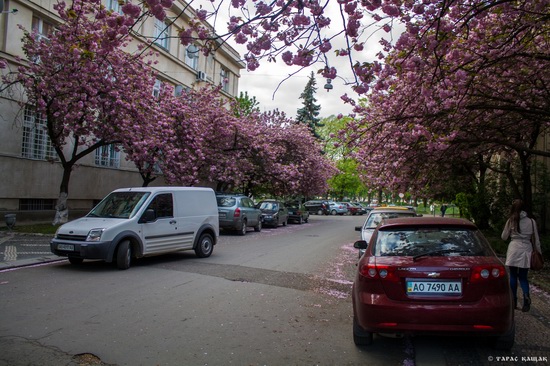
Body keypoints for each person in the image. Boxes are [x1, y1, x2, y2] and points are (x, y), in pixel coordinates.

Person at [501, 199, 542, 312]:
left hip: (514, 249)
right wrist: (539, 253)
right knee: (523, 277)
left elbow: (504, 237)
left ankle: (513, 301)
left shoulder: (511, 221)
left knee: (513, 276)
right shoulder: (532, 222)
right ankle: (526, 297)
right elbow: (536, 240)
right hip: (526, 249)